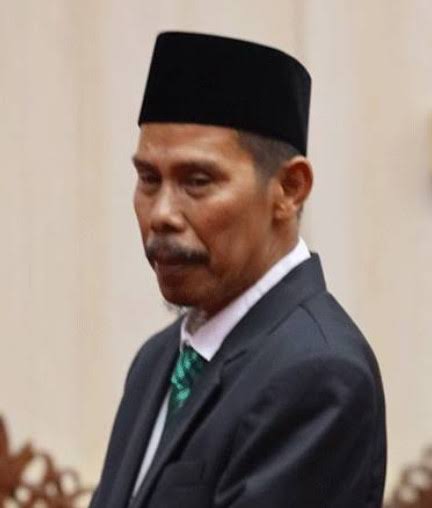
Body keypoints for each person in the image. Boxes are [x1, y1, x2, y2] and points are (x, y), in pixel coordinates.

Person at [90, 32, 386, 508]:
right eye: (148, 178)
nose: (161, 213)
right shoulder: (159, 359)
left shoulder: (318, 372)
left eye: (197, 181)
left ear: (289, 188)